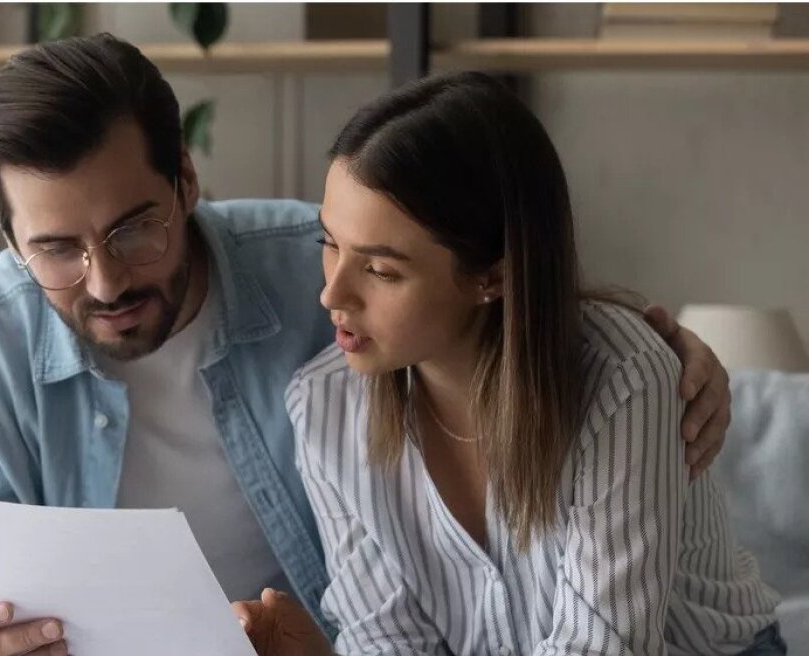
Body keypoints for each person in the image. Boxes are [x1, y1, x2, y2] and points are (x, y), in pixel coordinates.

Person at [0, 35, 734, 656]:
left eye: (133, 228)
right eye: (55, 250)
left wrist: (658, 345)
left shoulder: (310, 264)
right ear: (7, 239)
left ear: (185, 179)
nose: (105, 280)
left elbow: (497, 282)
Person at [233, 72, 784, 655]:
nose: (332, 294)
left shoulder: (622, 379)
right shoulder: (323, 407)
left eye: (381, 270)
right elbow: (388, 642)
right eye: (330, 245)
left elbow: (600, 647)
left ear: (491, 275)